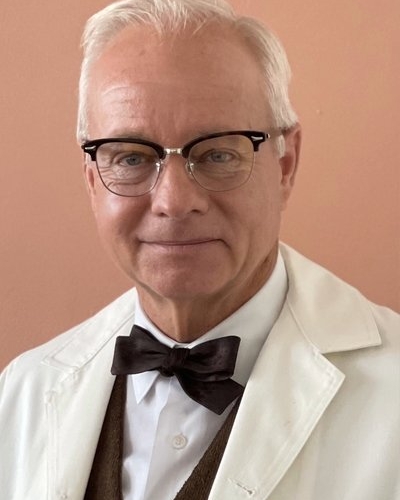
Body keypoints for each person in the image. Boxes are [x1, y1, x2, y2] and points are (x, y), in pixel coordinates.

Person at [0, 0, 399, 498]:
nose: (173, 202)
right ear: (92, 180)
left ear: (285, 165)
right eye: (131, 157)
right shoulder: (21, 393)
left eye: (217, 154)